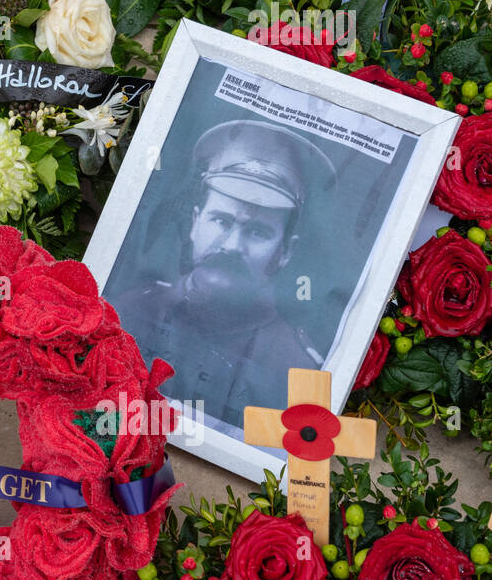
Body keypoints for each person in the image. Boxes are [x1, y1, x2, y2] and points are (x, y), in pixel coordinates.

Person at [111, 119, 337, 427]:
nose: (231, 245)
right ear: (195, 223)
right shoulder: (126, 311)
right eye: (220, 220)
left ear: (285, 252)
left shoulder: (294, 370)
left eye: (257, 232)